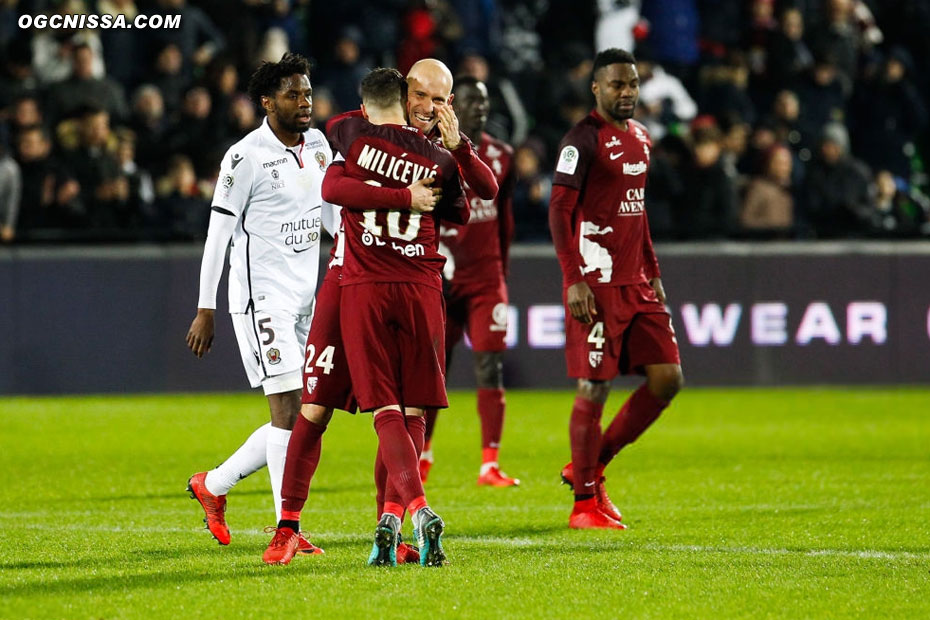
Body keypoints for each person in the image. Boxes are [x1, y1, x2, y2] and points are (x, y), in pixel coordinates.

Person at [261, 59, 495, 566]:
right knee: (315, 406)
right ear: (403, 93)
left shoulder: (436, 148)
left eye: (440, 100)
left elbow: (473, 198)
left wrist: (459, 147)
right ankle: (288, 526)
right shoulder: (357, 125)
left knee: (402, 408)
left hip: (388, 281)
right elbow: (336, 184)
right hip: (347, 280)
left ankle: (389, 524)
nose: (430, 108)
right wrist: (406, 196)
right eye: (421, 96)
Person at [184, 53, 333, 556]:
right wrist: (207, 307)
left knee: (301, 413)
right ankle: (285, 528)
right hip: (260, 298)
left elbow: (332, 217)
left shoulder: (317, 145)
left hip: (306, 298)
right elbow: (218, 235)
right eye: (293, 94)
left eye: (308, 93)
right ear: (267, 102)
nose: (305, 102)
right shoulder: (244, 156)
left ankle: (214, 485)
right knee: (288, 407)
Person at [330, 67, 467, 567]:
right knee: (415, 414)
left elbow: (331, 188)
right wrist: (450, 158)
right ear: (407, 99)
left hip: (367, 287)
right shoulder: (437, 157)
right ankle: (390, 520)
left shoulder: (349, 135)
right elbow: (467, 211)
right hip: (423, 289)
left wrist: (389, 193)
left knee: (385, 410)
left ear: (365, 106)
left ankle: (419, 510)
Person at [548, 48, 684, 530]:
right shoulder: (580, 141)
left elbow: (637, 209)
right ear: (597, 89)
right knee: (594, 385)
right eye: (616, 85)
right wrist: (573, 279)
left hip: (636, 281)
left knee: (667, 378)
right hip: (597, 282)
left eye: (631, 84)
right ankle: (584, 503)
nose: (626, 92)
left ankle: (589, 465)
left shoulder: (643, 138)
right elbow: (559, 212)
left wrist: (653, 270)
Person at [421, 75, 519, 487]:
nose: (480, 109)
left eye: (484, 102)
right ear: (453, 107)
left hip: (485, 278)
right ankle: (422, 455)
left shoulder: (502, 155)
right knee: (432, 371)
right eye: (471, 102)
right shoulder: (430, 153)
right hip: (441, 277)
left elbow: (505, 218)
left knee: (490, 366)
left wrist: (502, 270)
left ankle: (489, 464)